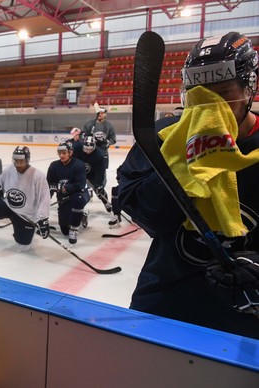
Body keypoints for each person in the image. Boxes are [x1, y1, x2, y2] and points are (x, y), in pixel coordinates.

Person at [118, 32, 259, 339]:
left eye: (222, 93)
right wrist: (185, 162)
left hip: (245, 310)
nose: (210, 108)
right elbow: (145, 214)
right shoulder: (164, 137)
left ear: (249, 88)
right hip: (166, 298)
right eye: (200, 95)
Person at [0, 146, 51, 252]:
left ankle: (24, 232)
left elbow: (44, 198)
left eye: (21, 161)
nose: (18, 164)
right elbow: (0, 182)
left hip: (25, 215)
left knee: (23, 247)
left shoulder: (38, 176)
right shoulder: (9, 169)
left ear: (27, 160)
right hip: (7, 205)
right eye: (16, 161)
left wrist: (43, 219)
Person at [47, 141, 90, 244]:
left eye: (64, 153)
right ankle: (82, 215)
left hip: (80, 194)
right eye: (59, 153)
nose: (61, 155)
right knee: (64, 230)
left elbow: (79, 185)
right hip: (63, 197)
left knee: (77, 200)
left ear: (70, 152)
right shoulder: (53, 166)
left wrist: (65, 188)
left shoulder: (79, 165)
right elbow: (49, 185)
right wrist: (46, 200)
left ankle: (74, 229)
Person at [72, 135, 111, 212]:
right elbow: (72, 161)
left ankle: (106, 203)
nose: (87, 151)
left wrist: (99, 184)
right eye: (86, 149)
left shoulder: (99, 155)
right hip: (78, 172)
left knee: (99, 190)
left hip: (92, 174)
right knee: (74, 189)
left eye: (90, 150)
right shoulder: (76, 148)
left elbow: (100, 171)